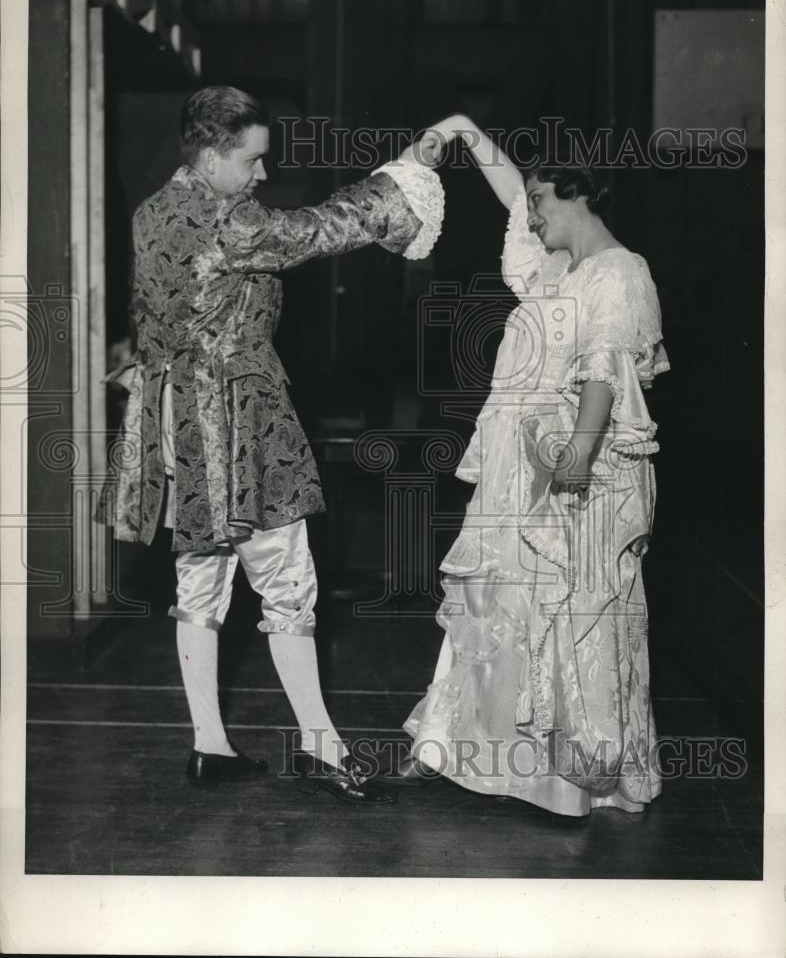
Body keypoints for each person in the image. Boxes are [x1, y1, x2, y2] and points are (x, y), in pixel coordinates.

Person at [98, 86, 444, 804]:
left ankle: (210, 745)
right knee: (288, 584)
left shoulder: (152, 211)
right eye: (252, 161)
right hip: (240, 419)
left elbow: (151, 319)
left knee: (200, 583)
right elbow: (315, 230)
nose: (261, 175)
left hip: (179, 425)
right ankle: (322, 749)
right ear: (210, 154)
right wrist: (404, 177)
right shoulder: (229, 219)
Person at [399, 115, 670, 816]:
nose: (530, 215)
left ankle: (576, 778)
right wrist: (462, 130)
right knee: (497, 604)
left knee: (569, 611)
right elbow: (512, 194)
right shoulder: (552, 267)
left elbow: (606, 370)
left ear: (576, 197)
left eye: (542, 203)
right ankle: (484, 760)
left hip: (572, 468)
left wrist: (576, 454)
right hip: (516, 463)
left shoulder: (622, 272)